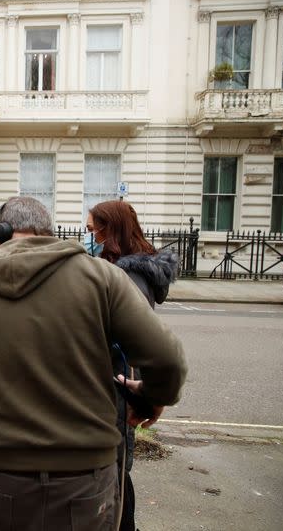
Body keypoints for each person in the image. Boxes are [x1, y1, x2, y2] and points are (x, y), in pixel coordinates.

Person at [0, 196, 186, 531]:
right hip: (83, 484)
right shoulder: (102, 278)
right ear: (49, 233)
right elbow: (168, 360)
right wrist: (152, 396)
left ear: (0, 232)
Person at [87, 199, 179, 531]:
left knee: (114, 475)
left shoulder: (128, 279)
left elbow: (139, 344)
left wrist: (149, 397)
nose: (90, 235)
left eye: (92, 228)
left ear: (109, 229)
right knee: (113, 471)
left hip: (116, 386)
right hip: (117, 384)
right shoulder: (120, 269)